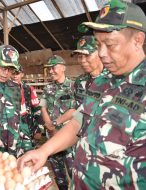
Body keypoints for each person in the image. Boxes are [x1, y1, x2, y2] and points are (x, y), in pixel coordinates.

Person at [18, 0, 146, 189]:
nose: (102, 53)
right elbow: (79, 121)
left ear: (138, 40)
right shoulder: (102, 81)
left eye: (109, 44)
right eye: (99, 44)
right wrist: (44, 150)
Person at [40, 55, 76, 189]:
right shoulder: (47, 88)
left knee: (74, 171)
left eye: (53, 67)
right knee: (58, 173)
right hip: (51, 136)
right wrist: (49, 125)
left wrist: (54, 123)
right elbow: (42, 106)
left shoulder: (73, 86)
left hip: (69, 137)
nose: (50, 71)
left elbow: (74, 110)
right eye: (49, 69)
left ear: (63, 68)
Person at [10, 66, 43, 146]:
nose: (15, 76)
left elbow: (37, 109)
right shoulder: (5, 90)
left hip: (28, 126)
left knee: (29, 151)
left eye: (17, 73)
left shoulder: (28, 89)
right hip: (12, 127)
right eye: (13, 73)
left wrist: (39, 129)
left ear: (22, 74)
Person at [72, 35, 106, 108]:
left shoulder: (114, 80)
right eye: (80, 56)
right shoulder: (79, 81)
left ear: (100, 53)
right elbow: (77, 109)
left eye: (87, 55)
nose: (82, 61)